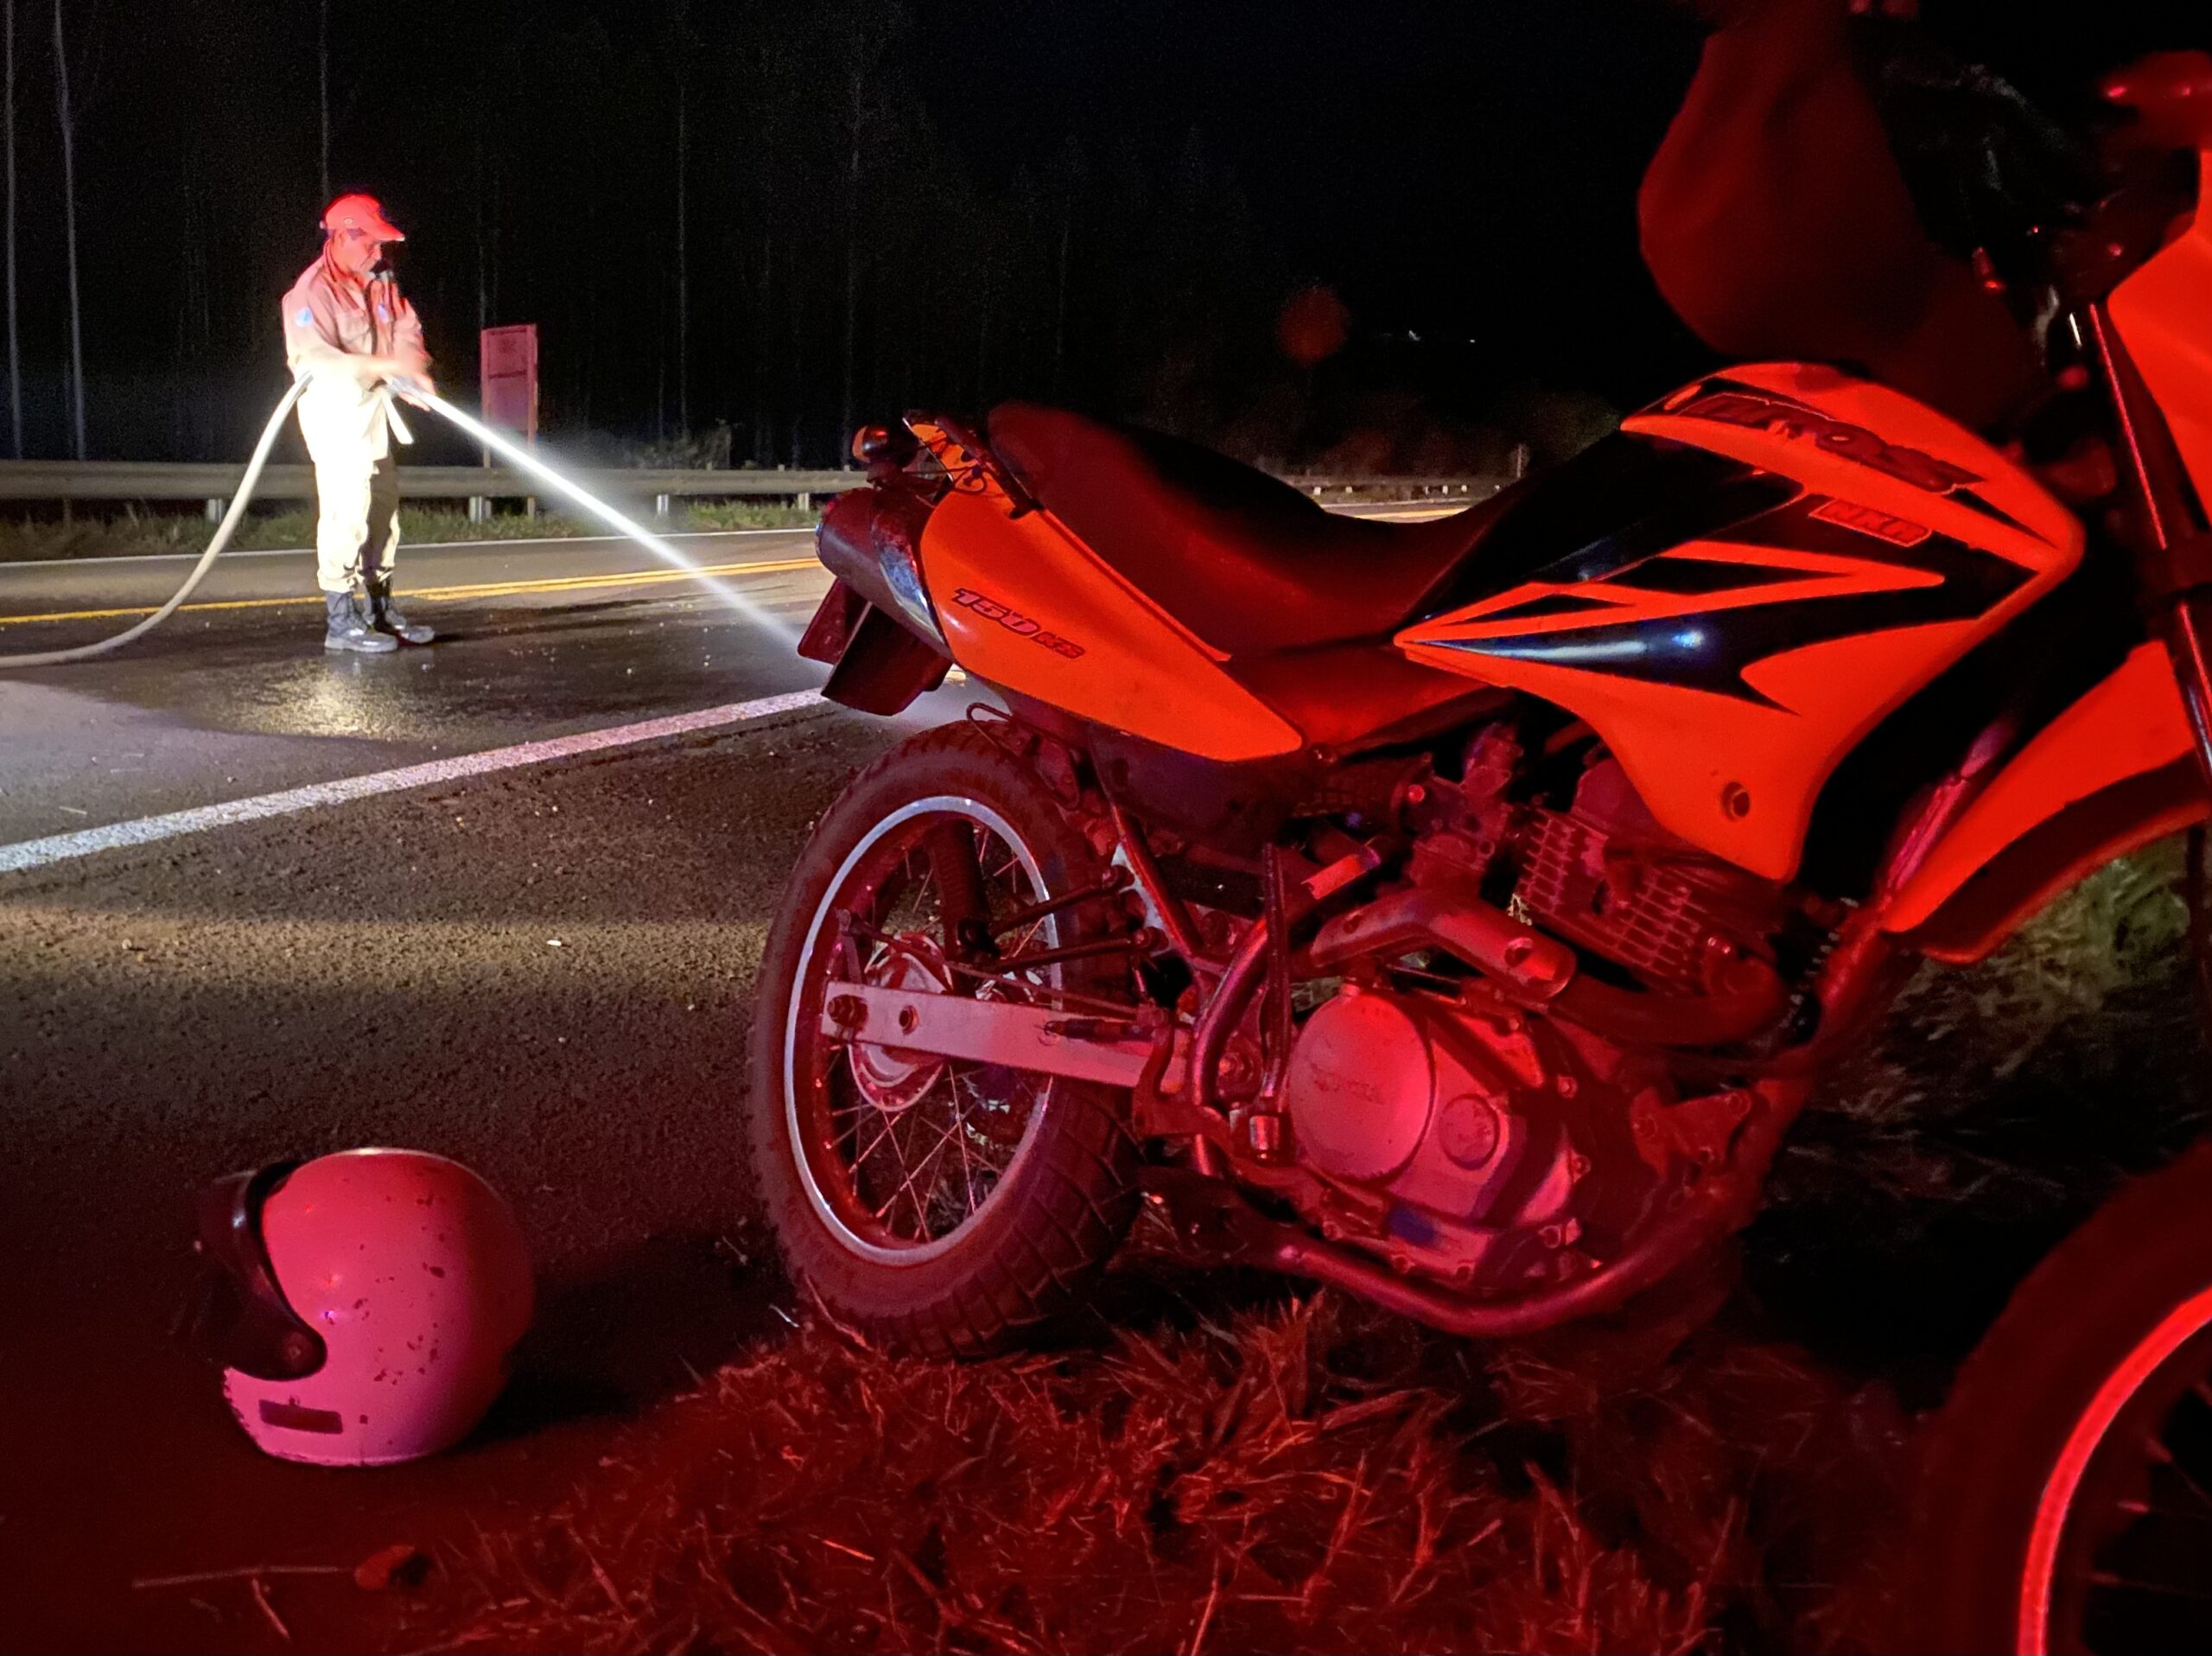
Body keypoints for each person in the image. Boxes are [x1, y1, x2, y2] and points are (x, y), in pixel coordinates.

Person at [281, 193, 438, 653]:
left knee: (383, 511)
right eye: (370, 243)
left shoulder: (379, 280)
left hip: (372, 409)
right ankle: (340, 618)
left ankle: (379, 608)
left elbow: (406, 326)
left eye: (382, 245)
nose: (379, 253)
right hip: (334, 410)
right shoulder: (309, 293)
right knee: (347, 510)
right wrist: (385, 368)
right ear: (344, 236)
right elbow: (317, 360)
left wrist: (412, 367)